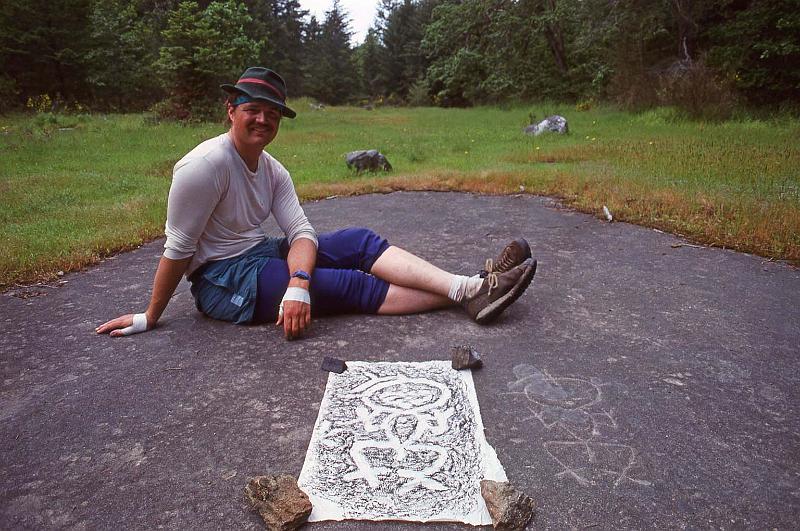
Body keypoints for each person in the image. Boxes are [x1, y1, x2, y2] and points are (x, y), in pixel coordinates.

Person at [96, 67, 537, 340]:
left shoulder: (273, 170)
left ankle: (470, 289)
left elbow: (301, 234)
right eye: (253, 109)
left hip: (259, 254)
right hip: (222, 281)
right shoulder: (203, 166)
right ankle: (472, 290)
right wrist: (150, 315)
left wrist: (298, 281)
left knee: (358, 242)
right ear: (231, 110)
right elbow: (178, 249)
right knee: (346, 284)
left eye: (272, 113)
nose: (263, 119)